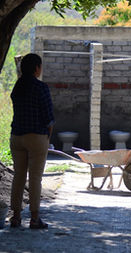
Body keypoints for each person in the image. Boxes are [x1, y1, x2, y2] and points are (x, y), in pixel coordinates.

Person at [9, 53, 55, 229]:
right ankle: (35, 219)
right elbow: (49, 118)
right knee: (35, 178)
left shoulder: (17, 87)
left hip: (16, 137)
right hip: (36, 136)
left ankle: (15, 217)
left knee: (18, 176)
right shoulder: (41, 87)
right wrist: (46, 136)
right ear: (37, 68)